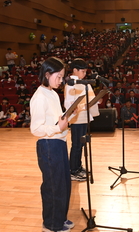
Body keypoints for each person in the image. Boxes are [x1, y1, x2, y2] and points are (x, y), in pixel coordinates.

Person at [30, 57, 74, 232]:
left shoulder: (54, 93)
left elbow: (57, 119)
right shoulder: (39, 97)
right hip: (48, 145)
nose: (61, 80)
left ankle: (60, 218)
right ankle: (51, 224)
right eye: (59, 76)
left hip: (59, 143)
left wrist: (68, 116)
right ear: (47, 74)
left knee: (63, 183)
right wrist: (57, 128)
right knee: (53, 186)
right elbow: (36, 129)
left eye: (63, 77)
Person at [64, 58, 99, 182]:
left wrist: (95, 101)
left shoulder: (83, 82)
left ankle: (78, 167)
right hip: (77, 118)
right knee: (77, 145)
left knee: (82, 144)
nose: (84, 74)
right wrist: (83, 105)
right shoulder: (71, 84)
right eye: (82, 71)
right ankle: (73, 170)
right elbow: (69, 103)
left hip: (84, 117)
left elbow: (89, 99)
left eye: (85, 71)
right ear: (75, 70)